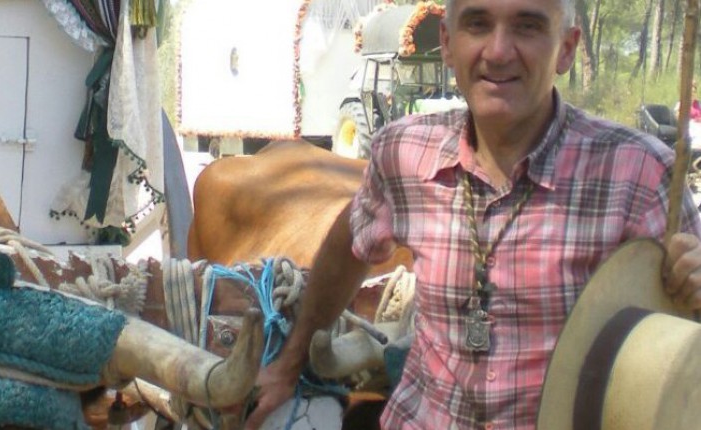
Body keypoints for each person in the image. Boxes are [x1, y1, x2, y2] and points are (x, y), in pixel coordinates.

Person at [244, 0, 701, 428]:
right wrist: (288, 365)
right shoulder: (402, 152)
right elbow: (350, 243)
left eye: (527, 26)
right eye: (477, 24)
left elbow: (684, 346)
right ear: (447, 43)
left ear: (566, 49)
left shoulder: (640, 172)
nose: (498, 52)